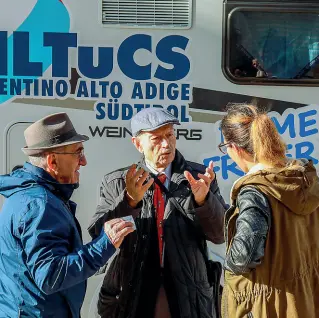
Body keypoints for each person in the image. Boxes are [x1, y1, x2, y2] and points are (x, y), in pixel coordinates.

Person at [88, 108, 228, 318]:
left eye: (170, 135)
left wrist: (203, 201)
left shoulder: (198, 178)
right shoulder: (117, 182)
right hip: (132, 293)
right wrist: (130, 201)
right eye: (156, 138)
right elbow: (100, 235)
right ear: (137, 144)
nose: (166, 144)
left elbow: (220, 235)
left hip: (188, 295)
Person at [0, 113, 135, 318]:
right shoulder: (41, 204)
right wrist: (105, 243)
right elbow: (50, 275)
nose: (84, 161)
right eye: (78, 152)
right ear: (52, 161)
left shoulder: (27, 195)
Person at [219, 104, 319, 318]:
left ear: (234, 148)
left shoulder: (255, 191)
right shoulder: (303, 181)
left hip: (268, 306)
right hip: (305, 300)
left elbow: (243, 257)